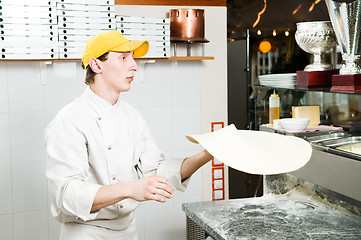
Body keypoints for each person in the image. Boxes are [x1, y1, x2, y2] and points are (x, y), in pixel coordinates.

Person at [45, 30, 213, 240]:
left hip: (127, 232)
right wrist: (130, 188)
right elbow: (66, 195)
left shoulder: (132, 116)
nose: (134, 65)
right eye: (123, 58)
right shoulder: (69, 120)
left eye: (133, 57)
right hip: (85, 233)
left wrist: (208, 154)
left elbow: (157, 170)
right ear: (97, 65)